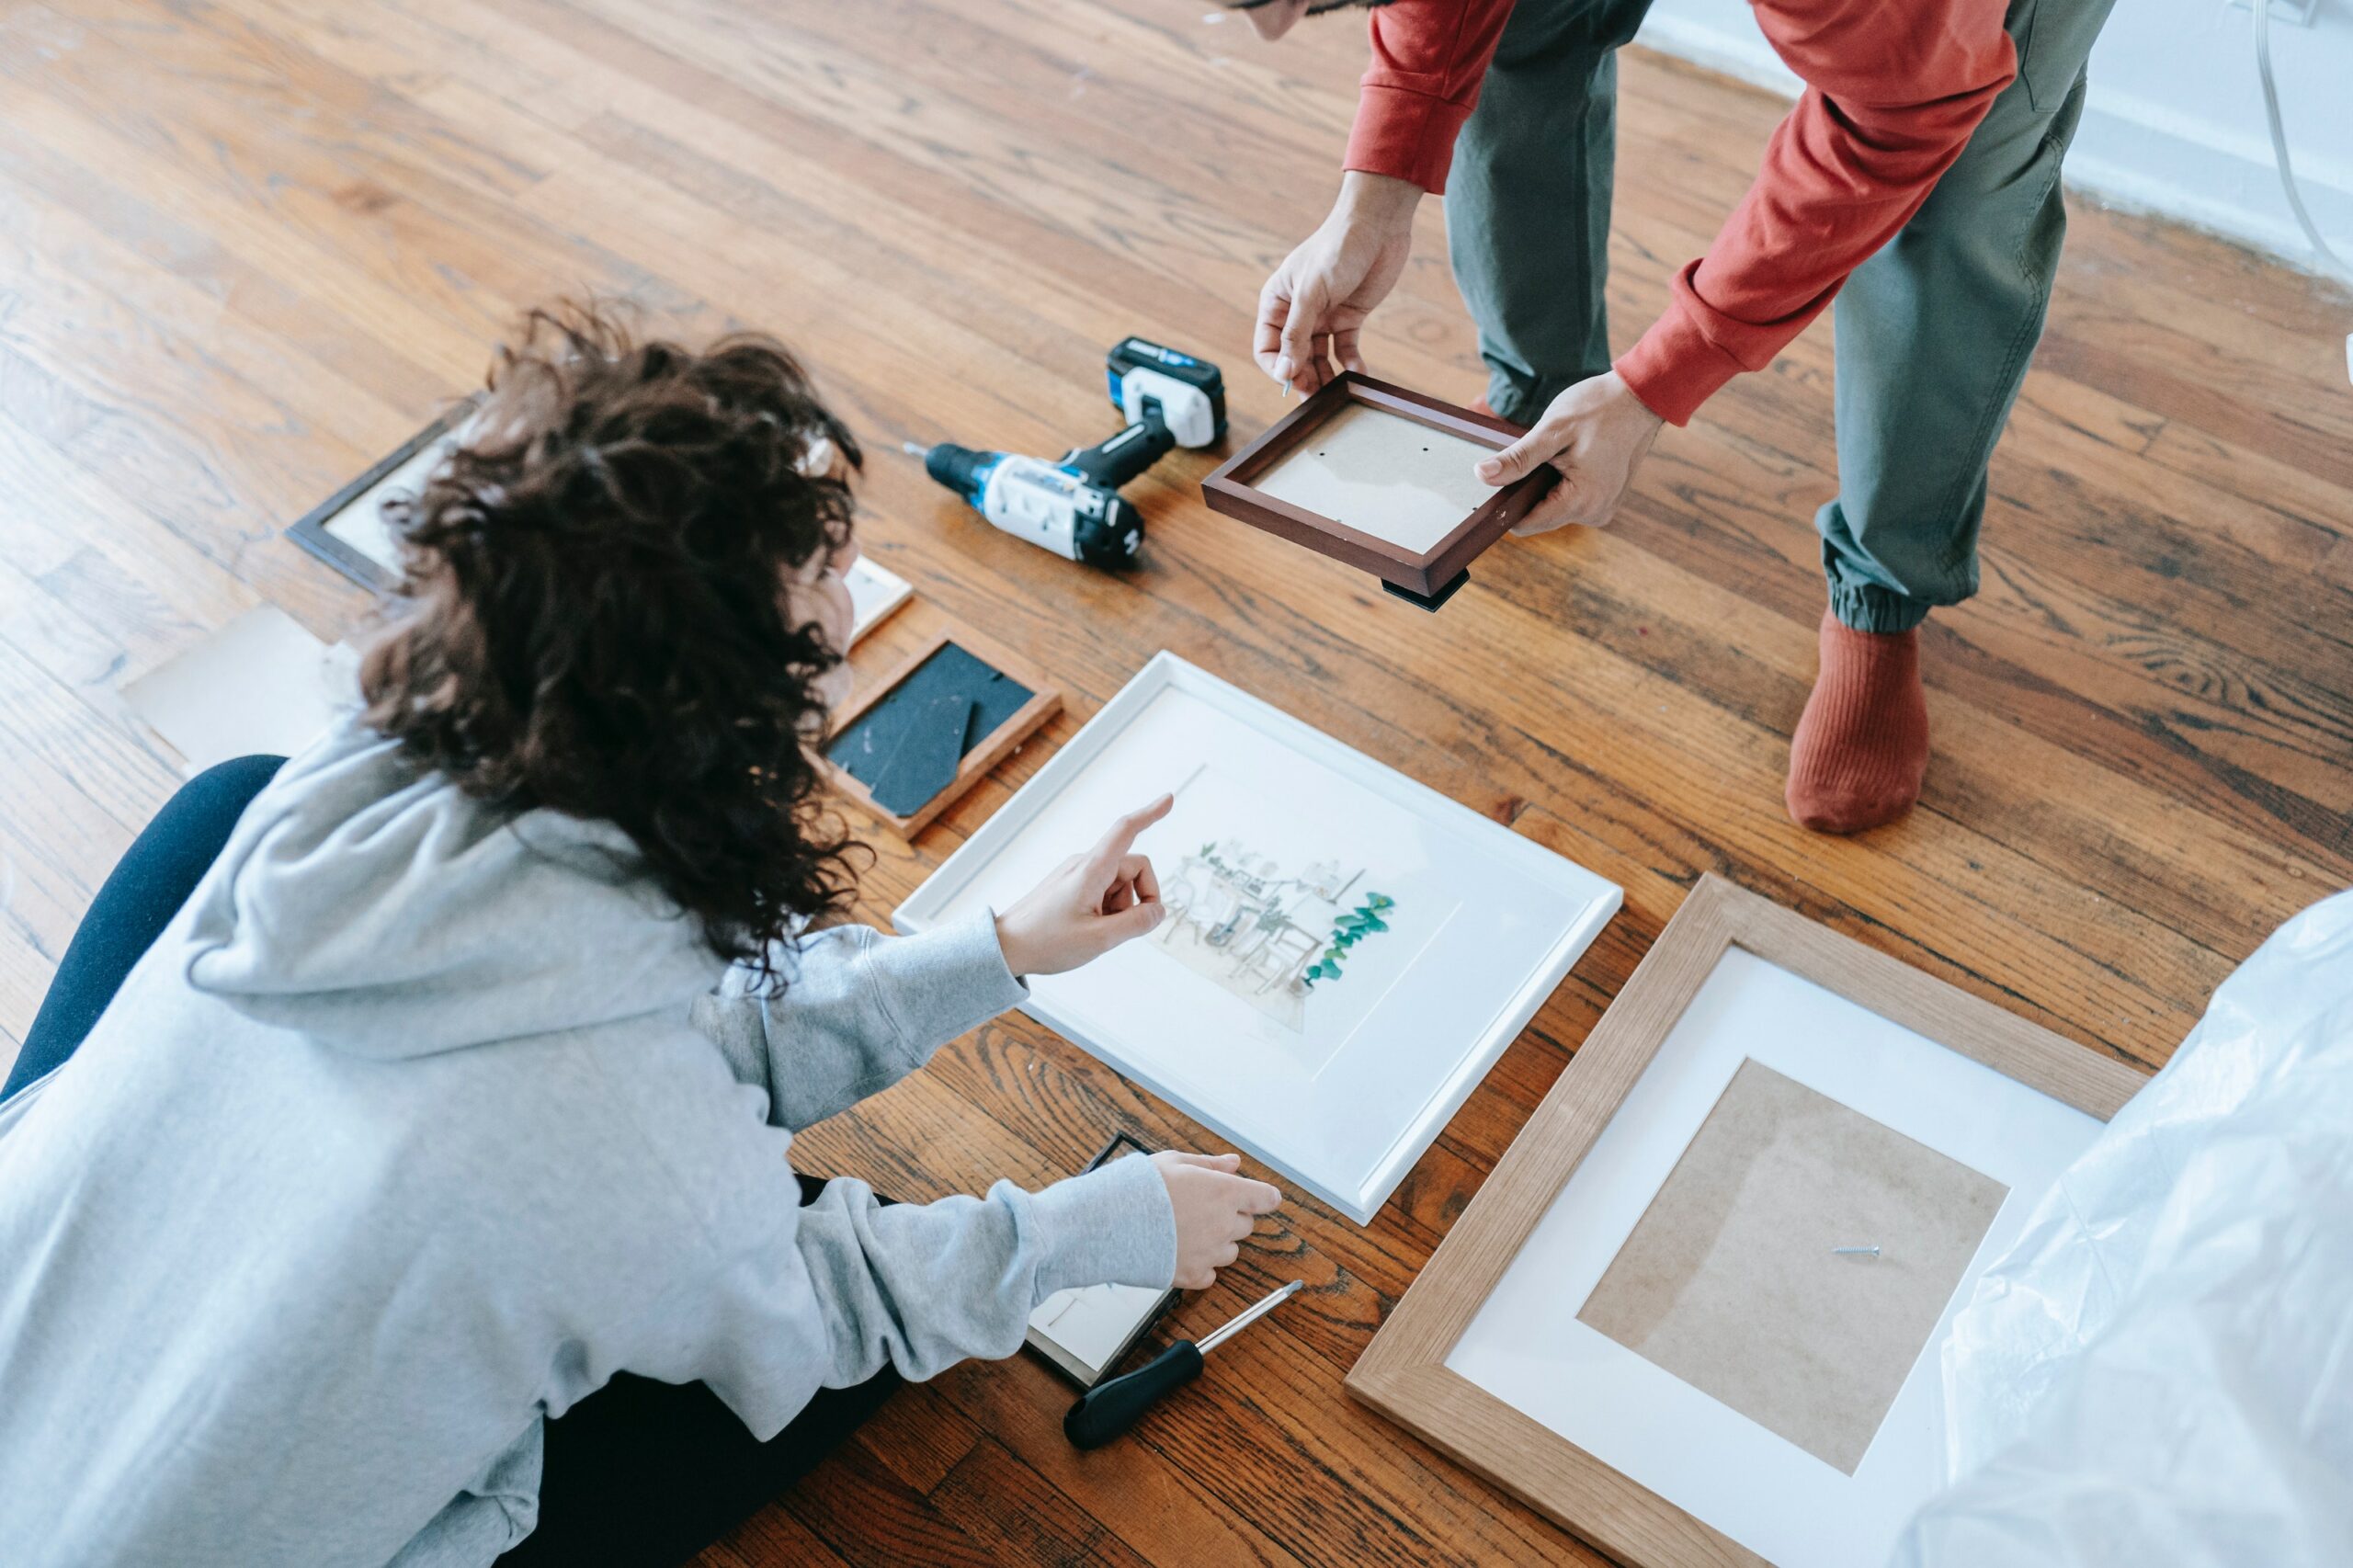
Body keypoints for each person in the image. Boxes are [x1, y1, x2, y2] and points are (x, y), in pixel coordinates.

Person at [0, 307, 1282, 1568]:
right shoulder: (626, 1151)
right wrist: (1101, 1229)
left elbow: (613, 1032)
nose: (850, 598)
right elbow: (828, 1305)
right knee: (783, 1350)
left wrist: (992, 948)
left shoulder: (345, 789)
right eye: (827, 587)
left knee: (218, 803)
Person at [1246, 0, 2116, 833]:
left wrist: (1660, 382)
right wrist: (1376, 195)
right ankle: (1537, 397)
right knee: (1517, 16)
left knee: (1957, 191)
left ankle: (1881, 592)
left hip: (1931, 40)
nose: (1271, 27)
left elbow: (1903, 117)